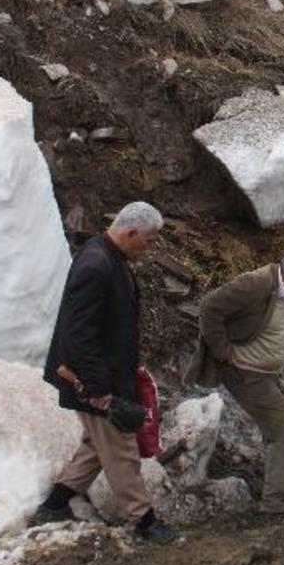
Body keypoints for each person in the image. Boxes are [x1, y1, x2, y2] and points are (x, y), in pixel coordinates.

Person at [33, 201, 176, 544]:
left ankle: (55, 503)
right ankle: (143, 520)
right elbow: (78, 333)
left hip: (106, 375)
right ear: (130, 233)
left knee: (96, 445)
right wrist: (100, 389)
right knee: (121, 450)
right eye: (150, 240)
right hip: (95, 380)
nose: (151, 247)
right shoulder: (97, 265)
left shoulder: (109, 256)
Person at [189, 247, 284, 514]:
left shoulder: (280, 288)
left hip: (263, 374)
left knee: (277, 430)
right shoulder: (256, 283)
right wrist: (223, 351)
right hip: (246, 374)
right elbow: (209, 308)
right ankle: (277, 502)